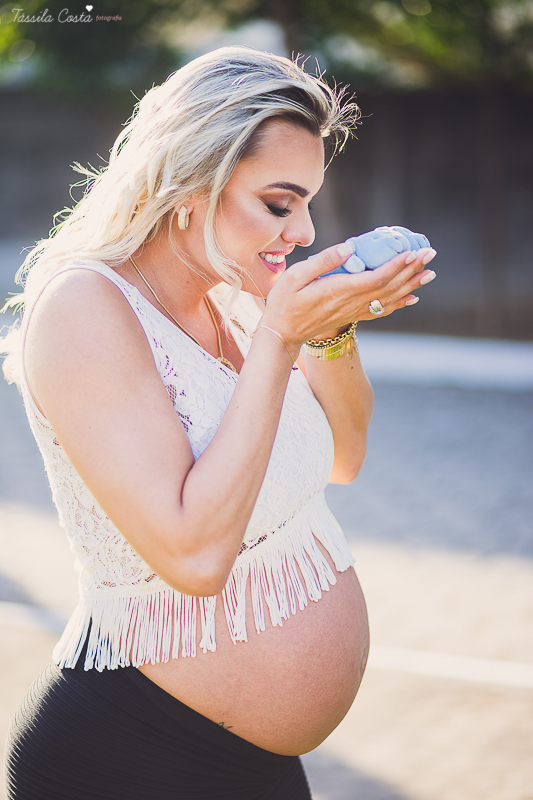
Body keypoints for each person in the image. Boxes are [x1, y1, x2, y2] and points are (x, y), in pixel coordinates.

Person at [2, 47, 436, 800]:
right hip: (130, 757)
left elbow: (346, 455)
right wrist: (278, 338)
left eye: (307, 203)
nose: (302, 231)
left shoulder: (234, 287)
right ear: (189, 184)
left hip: (251, 765)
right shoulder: (84, 308)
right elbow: (195, 559)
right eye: (278, 203)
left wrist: (326, 329)